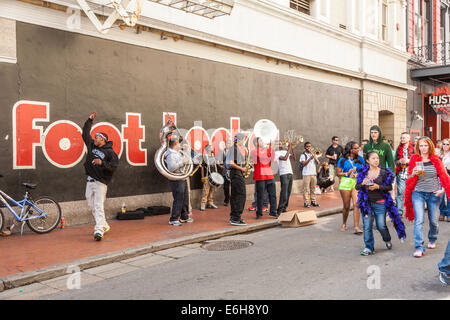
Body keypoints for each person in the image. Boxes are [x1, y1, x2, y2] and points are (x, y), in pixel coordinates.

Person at [404, 137, 450, 258]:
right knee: (419, 220)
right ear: (418, 147)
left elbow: (444, 176)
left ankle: (433, 238)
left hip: (434, 193)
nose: (423, 148)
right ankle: (419, 247)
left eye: (425, 145)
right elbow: (409, 179)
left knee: (433, 220)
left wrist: (442, 190)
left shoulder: (436, 160)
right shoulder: (414, 159)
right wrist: (413, 173)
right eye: (421, 146)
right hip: (418, 192)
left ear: (430, 146)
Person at [356, 151, 406, 256]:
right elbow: (357, 187)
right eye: (373, 158)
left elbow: (389, 187)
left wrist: (378, 187)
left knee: (381, 225)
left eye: (377, 158)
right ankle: (369, 247)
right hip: (366, 204)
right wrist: (362, 183)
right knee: (367, 226)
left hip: (380, 203)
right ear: (367, 161)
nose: (376, 160)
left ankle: (387, 239)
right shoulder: (363, 172)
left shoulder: (384, 172)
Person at [82, 111, 119, 241]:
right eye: (95, 137)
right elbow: (85, 134)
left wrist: (101, 162)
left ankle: (98, 231)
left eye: (97, 137)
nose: (95, 139)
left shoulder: (110, 153)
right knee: (91, 205)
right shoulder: (91, 145)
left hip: (100, 182)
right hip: (89, 181)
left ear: (102, 140)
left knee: (98, 205)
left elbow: (113, 167)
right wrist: (89, 120)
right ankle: (104, 224)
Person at [165, 136, 194, 226]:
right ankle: (173, 219)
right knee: (178, 199)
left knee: (185, 198)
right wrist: (183, 162)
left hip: (182, 178)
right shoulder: (170, 154)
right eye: (179, 143)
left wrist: (186, 152)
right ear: (175, 144)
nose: (180, 145)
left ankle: (184, 216)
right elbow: (171, 168)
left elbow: (186, 159)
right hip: (176, 179)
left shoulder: (176, 152)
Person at [336, 141, 364, 234]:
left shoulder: (361, 159)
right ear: (351, 150)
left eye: (358, 148)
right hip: (346, 182)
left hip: (357, 183)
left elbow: (365, 170)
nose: (358, 149)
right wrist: (346, 173)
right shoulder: (342, 160)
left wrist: (359, 174)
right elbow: (338, 173)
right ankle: (344, 223)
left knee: (357, 204)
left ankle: (356, 227)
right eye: (356, 148)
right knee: (346, 206)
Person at [251, 137, 278, 219]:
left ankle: (273, 212)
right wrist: (271, 148)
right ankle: (259, 213)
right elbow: (262, 157)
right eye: (261, 141)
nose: (263, 142)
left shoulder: (267, 150)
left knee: (273, 195)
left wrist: (272, 150)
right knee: (260, 196)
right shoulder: (254, 151)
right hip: (260, 176)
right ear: (256, 143)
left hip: (269, 175)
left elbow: (272, 159)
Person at [226, 133, 249, 226]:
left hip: (236, 174)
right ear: (239, 140)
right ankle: (236, 218)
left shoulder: (234, 149)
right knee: (240, 195)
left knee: (236, 196)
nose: (244, 141)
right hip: (236, 175)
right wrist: (242, 169)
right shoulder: (233, 149)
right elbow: (231, 163)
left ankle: (234, 217)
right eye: (243, 139)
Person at [395, 132, 413, 218]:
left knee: (413, 194)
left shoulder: (414, 148)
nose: (402, 139)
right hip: (401, 174)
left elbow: (418, 159)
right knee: (400, 193)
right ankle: (399, 212)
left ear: (409, 139)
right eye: (401, 138)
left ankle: (412, 211)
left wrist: (409, 161)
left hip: (412, 175)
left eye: (404, 138)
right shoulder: (398, 148)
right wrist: (399, 161)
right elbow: (395, 161)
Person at [275, 141, 296, 214]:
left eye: (281, 143)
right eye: (279, 144)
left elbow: (294, 158)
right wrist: (289, 149)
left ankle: (284, 208)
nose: (281, 145)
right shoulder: (276, 153)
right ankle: (279, 209)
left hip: (290, 173)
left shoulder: (285, 151)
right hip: (283, 174)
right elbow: (284, 158)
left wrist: (292, 149)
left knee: (288, 192)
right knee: (284, 192)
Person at [300, 142, 320, 208]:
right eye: (307, 146)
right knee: (306, 189)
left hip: (313, 174)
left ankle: (313, 201)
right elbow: (303, 164)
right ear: (305, 147)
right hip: (306, 174)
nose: (309, 148)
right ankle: (306, 202)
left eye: (310, 146)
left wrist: (314, 157)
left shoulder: (313, 154)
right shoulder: (303, 155)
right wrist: (310, 158)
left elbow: (317, 163)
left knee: (313, 189)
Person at [199, 144, 219, 211]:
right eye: (210, 148)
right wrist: (202, 177)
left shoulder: (213, 157)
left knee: (211, 190)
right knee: (205, 190)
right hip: (207, 176)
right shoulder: (204, 157)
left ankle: (210, 203)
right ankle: (203, 204)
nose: (212, 149)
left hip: (213, 176)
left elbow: (215, 166)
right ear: (207, 149)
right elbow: (202, 167)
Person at [218, 139, 232, 206]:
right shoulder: (222, 152)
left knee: (233, 186)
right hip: (225, 171)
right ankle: (227, 200)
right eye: (227, 143)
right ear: (225, 144)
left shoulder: (233, 152)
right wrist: (220, 165)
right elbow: (217, 160)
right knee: (226, 187)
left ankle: (232, 199)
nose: (228, 144)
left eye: (230, 143)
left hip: (232, 171)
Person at [439, 139, 450, 222]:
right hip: (440, 178)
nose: (445, 146)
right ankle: (442, 213)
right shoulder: (439, 154)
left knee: (449, 196)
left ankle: (449, 213)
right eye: (444, 144)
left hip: (449, 177)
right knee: (441, 197)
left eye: (447, 144)